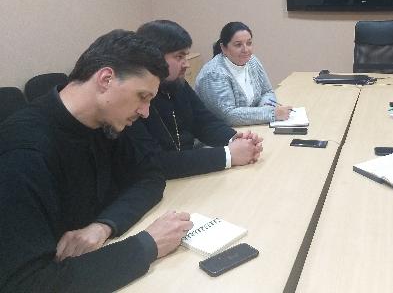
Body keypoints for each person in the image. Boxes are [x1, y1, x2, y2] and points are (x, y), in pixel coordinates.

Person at [0, 30, 193, 292]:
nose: (145, 112)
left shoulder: (106, 120)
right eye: (142, 96)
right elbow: (27, 283)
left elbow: (150, 176)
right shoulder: (23, 153)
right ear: (106, 79)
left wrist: (103, 226)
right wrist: (147, 245)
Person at [136, 20, 263, 179]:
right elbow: (155, 162)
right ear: (155, 58)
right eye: (179, 56)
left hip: (189, 174)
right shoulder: (136, 103)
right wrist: (228, 155)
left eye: (186, 56)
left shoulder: (177, 84)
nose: (186, 64)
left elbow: (203, 121)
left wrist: (234, 139)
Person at [195, 21, 291, 126]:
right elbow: (228, 116)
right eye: (238, 45)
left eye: (249, 43)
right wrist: (271, 113)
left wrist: (265, 108)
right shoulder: (214, 74)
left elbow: (267, 92)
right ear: (224, 48)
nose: (246, 50)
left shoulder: (252, 61)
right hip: (221, 131)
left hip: (250, 126)